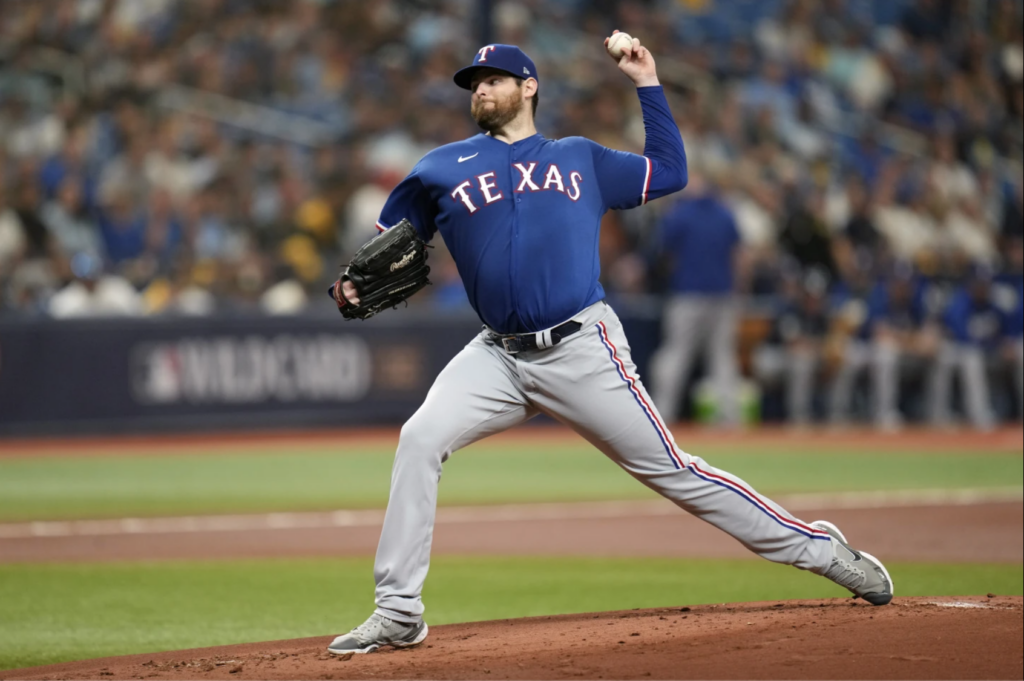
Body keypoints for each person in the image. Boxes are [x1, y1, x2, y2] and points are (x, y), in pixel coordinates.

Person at [327, 36, 893, 657]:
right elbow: (387, 244)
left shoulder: (580, 157)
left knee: (677, 473)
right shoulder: (439, 167)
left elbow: (671, 172)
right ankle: (399, 611)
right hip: (497, 355)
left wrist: (647, 81)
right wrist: (355, 284)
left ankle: (822, 550)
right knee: (419, 439)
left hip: (582, 347)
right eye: (473, 83)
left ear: (529, 87)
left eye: (493, 79)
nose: (480, 89)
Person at [650, 172, 743, 425]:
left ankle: (663, 414)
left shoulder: (679, 214)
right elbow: (738, 257)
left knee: (677, 352)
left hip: (687, 294)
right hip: (721, 294)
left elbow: (663, 254)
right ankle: (729, 417)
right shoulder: (725, 213)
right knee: (722, 356)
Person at [829, 262, 940, 429]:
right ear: (891, 282)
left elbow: (930, 336)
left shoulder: (916, 301)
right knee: (878, 354)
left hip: (905, 352)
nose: (902, 287)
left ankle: (937, 414)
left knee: (941, 355)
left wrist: (912, 341)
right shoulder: (879, 297)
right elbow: (880, 335)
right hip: (868, 348)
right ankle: (845, 414)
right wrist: (912, 340)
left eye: (906, 283)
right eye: (898, 282)